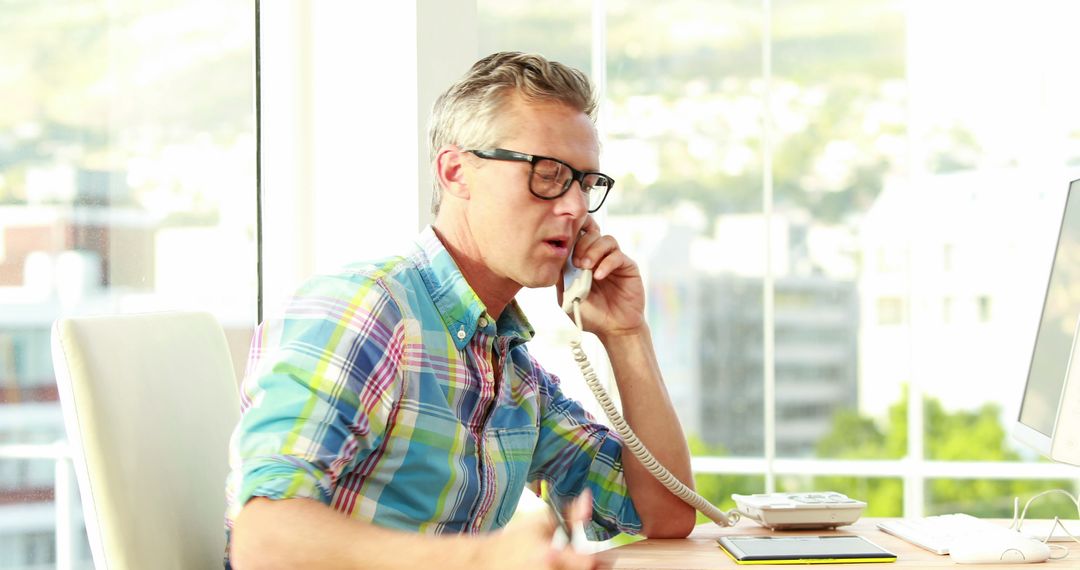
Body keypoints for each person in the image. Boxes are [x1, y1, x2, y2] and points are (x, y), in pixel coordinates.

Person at [224, 51, 696, 570]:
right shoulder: (364, 310)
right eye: (548, 173)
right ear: (456, 172)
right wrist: (483, 561)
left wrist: (627, 333)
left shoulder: (511, 369)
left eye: (585, 183)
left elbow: (664, 513)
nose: (575, 207)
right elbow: (261, 539)